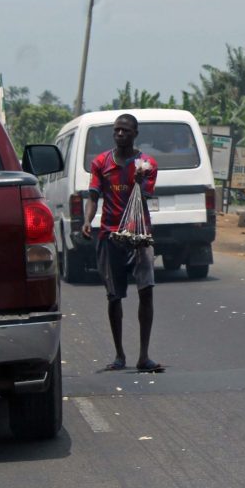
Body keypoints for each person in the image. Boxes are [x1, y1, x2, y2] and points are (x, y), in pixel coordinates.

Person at [81, 114, 164, 373]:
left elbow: (146, 194)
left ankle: (143, 356)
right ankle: (119, 354)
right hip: (110, 235)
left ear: (135, 133)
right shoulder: (101, 163)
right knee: (114, 297)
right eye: (117, 130)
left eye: (125, 131)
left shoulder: (147, 163)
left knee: (146, 291)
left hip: (139, 236)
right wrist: (87, 220)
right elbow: (93, 195)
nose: (120, 134)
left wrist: (140, 180)